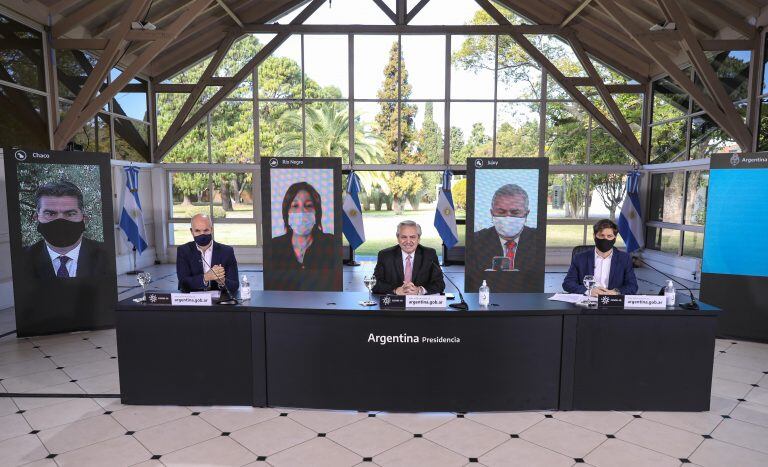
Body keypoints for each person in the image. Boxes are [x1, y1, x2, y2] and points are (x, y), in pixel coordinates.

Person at [24, 180, 110, 279]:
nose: (60, 221)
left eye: (70, 214)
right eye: (50, 214)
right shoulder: (21, 260)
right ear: (36, 218)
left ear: (84, 218)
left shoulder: (105, 255)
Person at [270, 181, 336, 272]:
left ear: (317, 213)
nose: (302, 212)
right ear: (287, 213)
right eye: (295, 205)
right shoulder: (274, 246)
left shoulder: (331, 244)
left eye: (308, 205)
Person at [562, 218, 638, 296]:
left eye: (609, 236)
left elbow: (632, 286)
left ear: (615, 237)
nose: (605, 239)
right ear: (594, 236)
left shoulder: (624, 258)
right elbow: (568, 283)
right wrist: (589, 291)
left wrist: (615, 292)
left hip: (612, 301)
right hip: (587, 300)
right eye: (601, 236)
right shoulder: (580, 258)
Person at [372, 220, 445, 295]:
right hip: (394, 303)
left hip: (420, 303)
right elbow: (374, 283)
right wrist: (395, 290)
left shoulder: (429, 255)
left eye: (412, 237)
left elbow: (439, 284)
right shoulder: (385, 255)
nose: (408, 241)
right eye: (404, 237)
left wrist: (419, 290)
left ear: (418, 238)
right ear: (398, 238)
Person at [176, 214, 239, 294]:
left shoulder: (227, 251)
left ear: (211, 229)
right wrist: (206, 277)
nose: (202, 234)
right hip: (193, 302)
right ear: (192, 231)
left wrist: (222, 281)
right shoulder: (183, 251)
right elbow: (183, 284)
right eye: (197, 231)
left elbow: (235, 285)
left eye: (206, 230)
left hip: (218, 303)